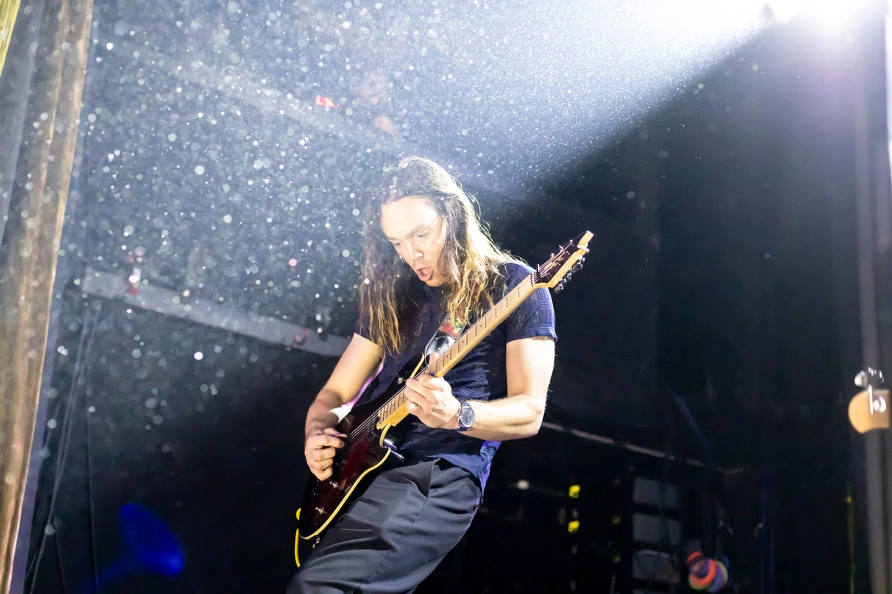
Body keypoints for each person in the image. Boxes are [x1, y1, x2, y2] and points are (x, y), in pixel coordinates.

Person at [287, 156, 557, 593]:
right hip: (368, 471)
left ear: (452, 216)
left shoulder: (515, 286)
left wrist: (458, 415)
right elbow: (336, 392)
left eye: (421, 235)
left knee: (318, 589)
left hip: (439, 472)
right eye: (396, 242)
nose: (412, 254)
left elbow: (530, 412)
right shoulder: (394, 295)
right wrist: (318, 431)